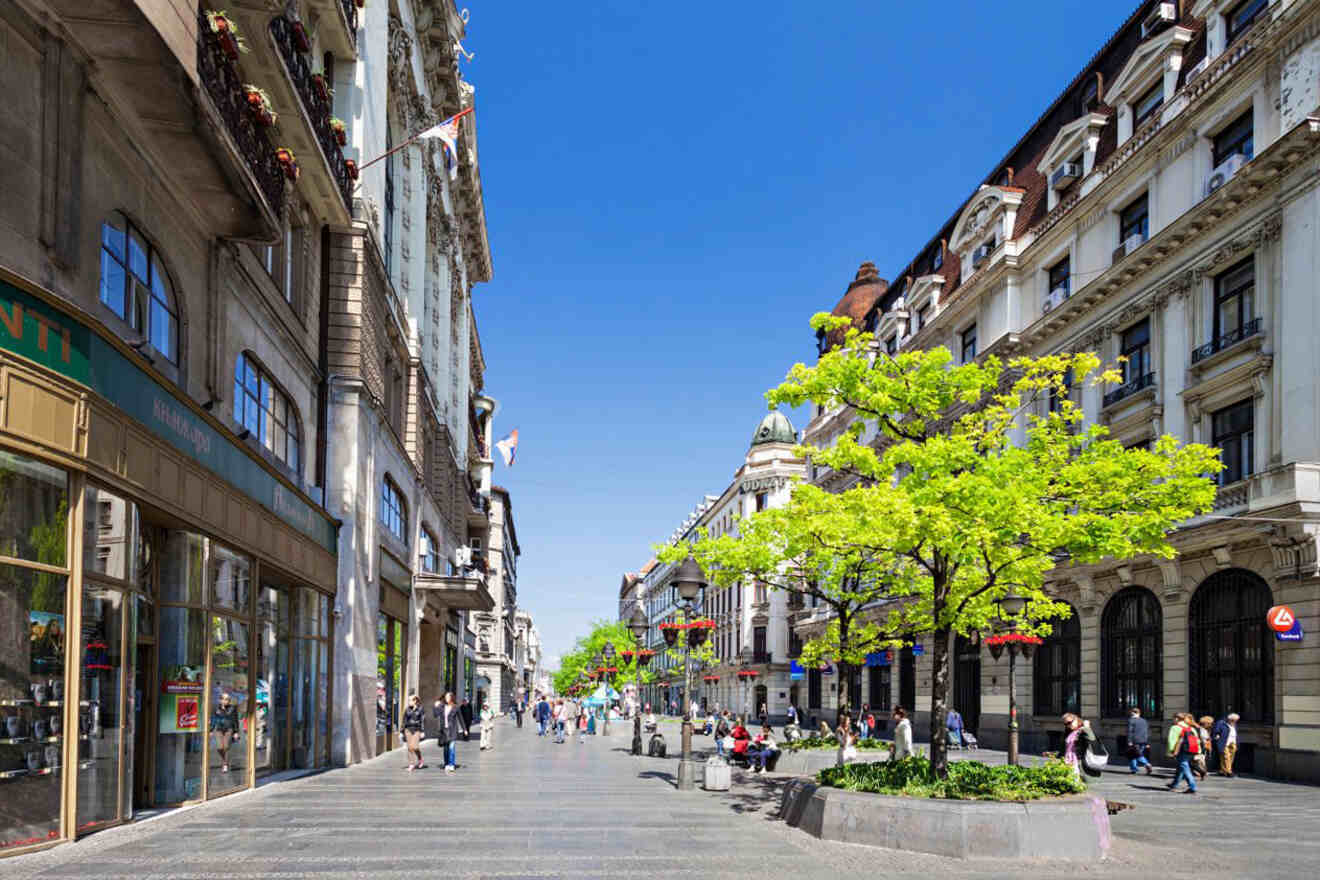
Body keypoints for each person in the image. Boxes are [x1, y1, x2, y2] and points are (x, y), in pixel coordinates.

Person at [1166, 712, 1199, 794]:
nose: (1173, 720)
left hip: (1181, 751)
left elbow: (1171, 741)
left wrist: (1171, 751)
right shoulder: (1191, 728)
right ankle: (1174, 785)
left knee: (1185, 768)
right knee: (1181, 768)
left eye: (1173, 718)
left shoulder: (1175, 727)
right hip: (1191, 750)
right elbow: (1197, 740)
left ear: (1177, 718)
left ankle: (1192, 786)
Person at [435, 692, 467, 774]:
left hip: (452, 730)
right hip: (444, 731)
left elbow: (461, 718)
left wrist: (464, 729)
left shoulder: (456, 707)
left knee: (451, 748)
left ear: (451, 698)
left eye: (448, 697)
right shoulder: (442, 707)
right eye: (445, 697)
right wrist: (436, 706)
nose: (446, 698)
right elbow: (435, 715)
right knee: (446, 749)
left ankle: (451, 764)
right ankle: (446, 764)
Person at [1062, 712, 1098, 781]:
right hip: (1068, 762)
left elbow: (1092, 738)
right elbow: (1065, 747)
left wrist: (1086, 728)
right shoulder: (1069, 731)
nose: (1068, 726)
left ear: (1075, 719)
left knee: (1080, 785)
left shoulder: (1083, 730)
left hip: (1079, 762)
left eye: (1069, 723)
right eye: (1065, 724)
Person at [210, 692, 240, 773]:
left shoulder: (232, 708)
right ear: (220, 700)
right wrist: (211, 730)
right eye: (223, 699)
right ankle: (224, 760)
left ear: (229, 701)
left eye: (227, 699)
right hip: (218, 729)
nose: (225, 701)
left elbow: (235, 720)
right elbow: (213, 719)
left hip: (229, 729)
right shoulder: (216, 708)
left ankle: (225, 764)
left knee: (226, 746)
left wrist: (236, 732)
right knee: (219, 747)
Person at [402, 693, 426, 771]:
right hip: (408, 729)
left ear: (415, 701)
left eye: (410, 700)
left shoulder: (421, 709)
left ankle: (420, 759)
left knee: (415, 746)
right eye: (408, 700)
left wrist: (422, 731)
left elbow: (422, 720)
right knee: (409, 747)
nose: (409, 702)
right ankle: (411, 764)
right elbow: (404, 721)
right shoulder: (407, 709)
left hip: (417, 729)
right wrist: (401, 731)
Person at [1126, 706, 1152, 775]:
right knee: (1133, 754)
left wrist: (1129, 741)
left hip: (1135, 741)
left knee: (1137, 755)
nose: (1130, 714)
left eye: (1131, 712)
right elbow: (1147, 732)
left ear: (1133, 713)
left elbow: (1130, 731)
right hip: (1143, 740)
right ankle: (1134, 768)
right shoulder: (1144, 720)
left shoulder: (1131, 720)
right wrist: (1147, 742)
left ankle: (1147, 764)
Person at [1195, 716, 1214, 781]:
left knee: (1202, 760)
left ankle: (1202, 772)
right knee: (1200, 760)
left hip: (1205, 747)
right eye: (1208, 723)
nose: (1210, 725)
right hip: (1199, 746)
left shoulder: (1207, 730)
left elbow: (1207, 738)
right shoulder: (1199, 729)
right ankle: (1201, 772)